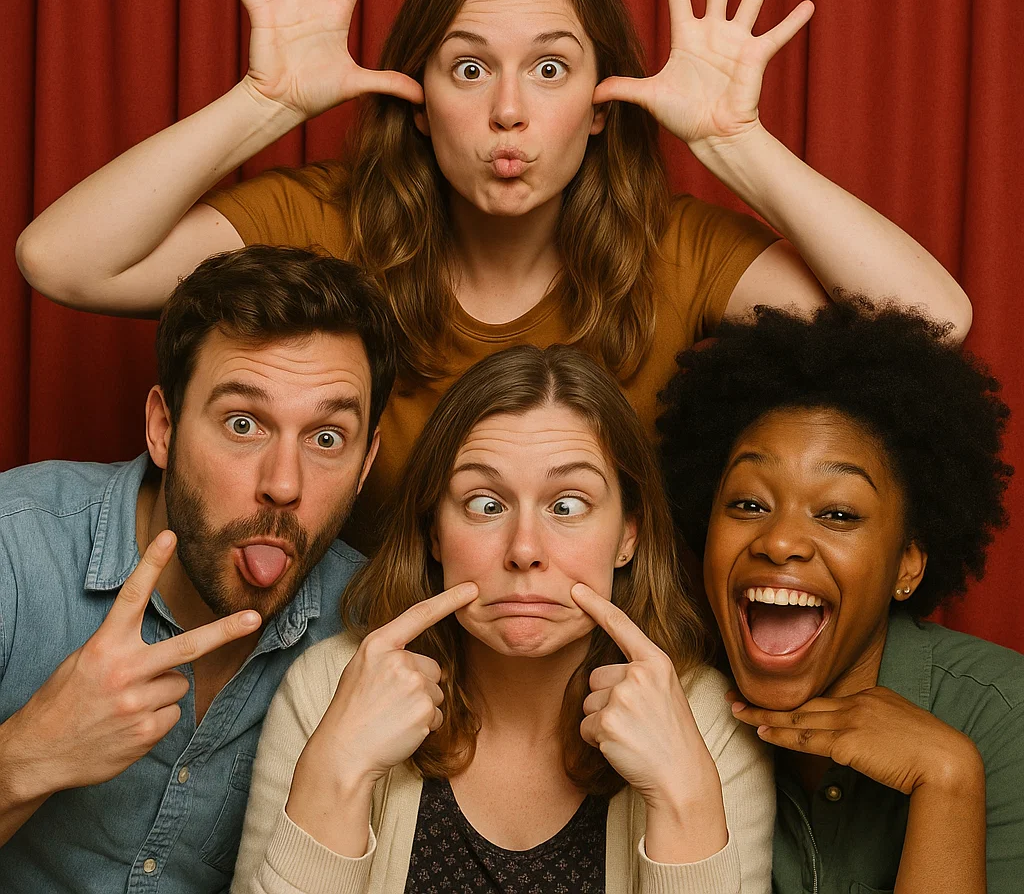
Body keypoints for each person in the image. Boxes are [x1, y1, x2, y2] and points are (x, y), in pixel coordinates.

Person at [15, 0, 972, 553]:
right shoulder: (328, 220)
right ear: (419, 98)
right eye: (469, 69)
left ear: (601, 104)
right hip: (363, 670)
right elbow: (64, 261)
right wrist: (262, 102)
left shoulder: (671, 244)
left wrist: (737, 142)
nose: (508, 112)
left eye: (550, 70)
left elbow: (930, 318)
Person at [231, 345, 775, 894]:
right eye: (485, 504)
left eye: (567, 505)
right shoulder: (328, 688)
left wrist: (685, 799)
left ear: (628, 534)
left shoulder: (709, 726)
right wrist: (337, 772)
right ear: (434, 532)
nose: (524, 550)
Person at [0, 245, 397, 892]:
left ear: (366, 465)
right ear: (163, 427)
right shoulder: (14, 548)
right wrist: (28, 757)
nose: (284, 485)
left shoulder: (371, 631)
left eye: (327, 438)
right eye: (243, 424)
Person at [657, 300, 1023, 893]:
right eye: (748, 505)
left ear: (908, 563)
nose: (778, 541)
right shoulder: (674, 711)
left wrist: (949, 781)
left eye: (837, 513)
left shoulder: (1008, 717)